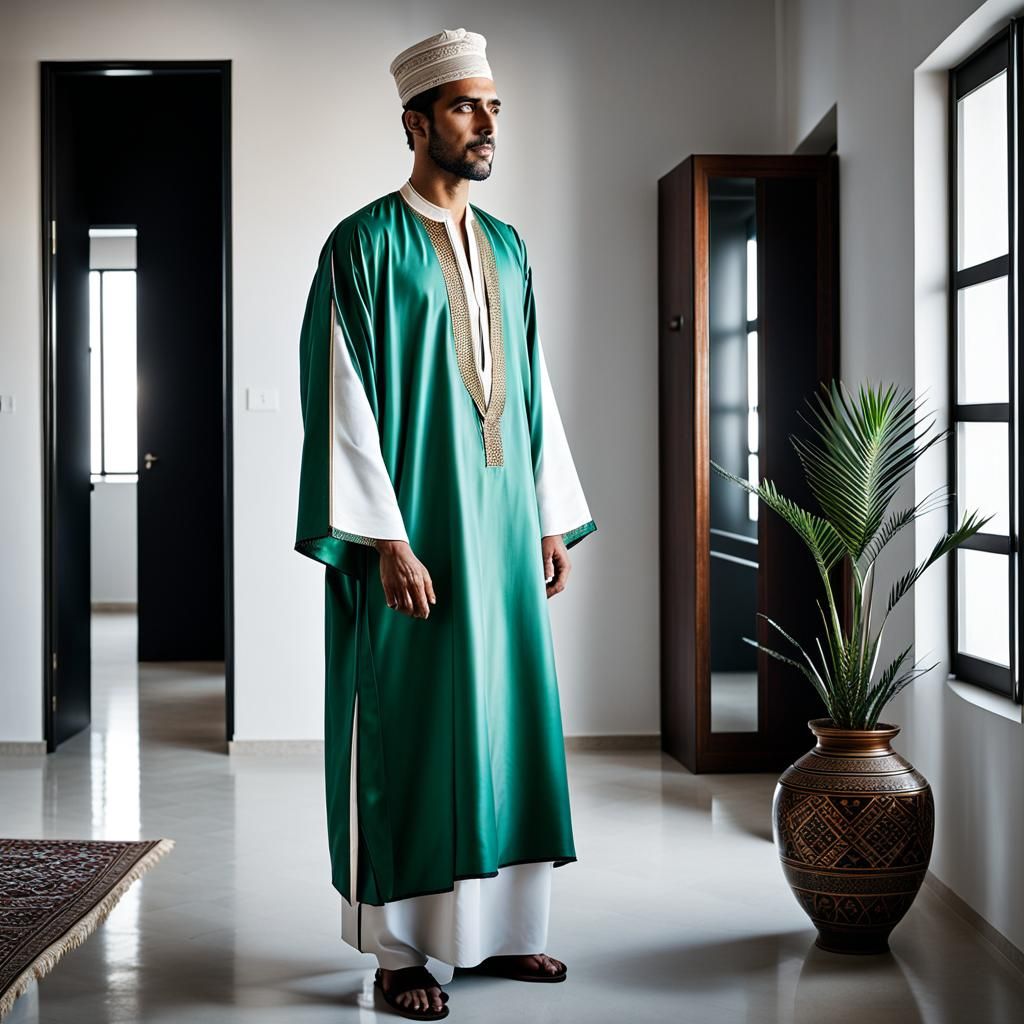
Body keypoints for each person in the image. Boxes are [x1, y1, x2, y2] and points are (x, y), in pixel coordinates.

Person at [293, 27, 596, 1020]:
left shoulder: (507, 248)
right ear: (416, 122)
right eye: (467, 106)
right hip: (415, 537)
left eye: (493, 106)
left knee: (506, 722)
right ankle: (401, 954)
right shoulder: (363, 245)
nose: (486, 123)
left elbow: (532, 391)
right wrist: (385, 539)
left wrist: (548, 519)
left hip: (502, 534)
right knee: (415, 729)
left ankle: (506, 933)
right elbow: (341, 402)